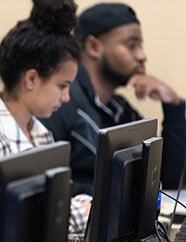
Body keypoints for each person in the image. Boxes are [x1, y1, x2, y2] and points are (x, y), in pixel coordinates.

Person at [40, 3, 186, 196]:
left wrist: (173, 105)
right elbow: (45, 186)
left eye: (140, 46)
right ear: (93, 47)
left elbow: (171, 178)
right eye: (131, 45)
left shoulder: (120, 108)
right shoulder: (62, 102)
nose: (142, 55)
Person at [0, 0, 91, 234]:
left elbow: (53, 205)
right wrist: (84, 210)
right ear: (31, 79)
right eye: (62, 86)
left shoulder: (39, 132)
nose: (67, 97)